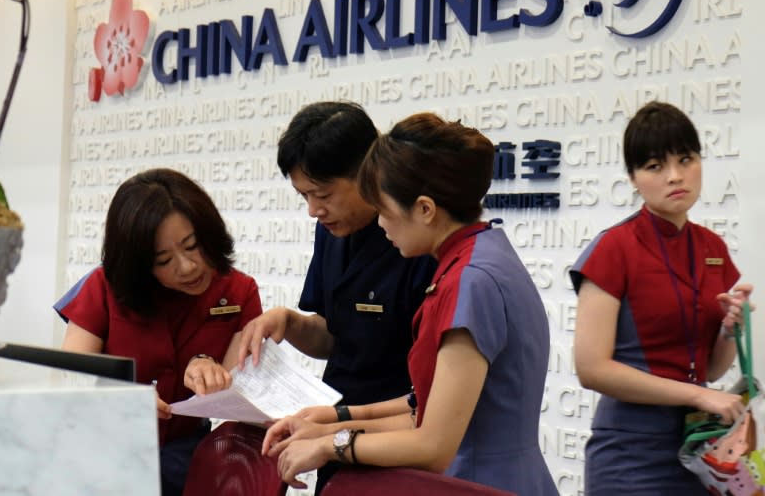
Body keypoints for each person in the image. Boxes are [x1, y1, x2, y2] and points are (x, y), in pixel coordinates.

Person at [260, 113, 557, 495]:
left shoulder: (472, 281)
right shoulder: (478, 256)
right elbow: (423, 404)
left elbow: (431, 444)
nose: (380, 225)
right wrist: (332, 422)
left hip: (477, 483)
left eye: (382, 210)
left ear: (425, 209)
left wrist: (329, 443)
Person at [184, 101, 436, 493]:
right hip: (332, 426)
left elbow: (431, 386)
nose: (313, 211)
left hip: (398, 437)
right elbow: (333, 337)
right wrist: (287, 322)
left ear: (369, 174)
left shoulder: (417, 241)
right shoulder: (331, 232)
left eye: (323, 194)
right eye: (304, 196)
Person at [569, 101, 755, 495]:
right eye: (655, 166)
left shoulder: (713, 247)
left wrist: (727, 330)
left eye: (686, 159)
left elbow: (710, 369)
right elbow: (591, 369)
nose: (675, 176)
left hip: (700, 447)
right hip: (629, 453)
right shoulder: (613, 249)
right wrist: (698, 394)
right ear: (634, 178)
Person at [54, 168, 263, 496]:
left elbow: (240, 388)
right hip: (104, 451)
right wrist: (123, 400)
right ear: (139, 265)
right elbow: (71, 373)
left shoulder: (239, 291)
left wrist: (211, 372)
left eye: (192, 246)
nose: (187, 267)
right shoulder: (105, 286)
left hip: (186, 455)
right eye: (163, 260)